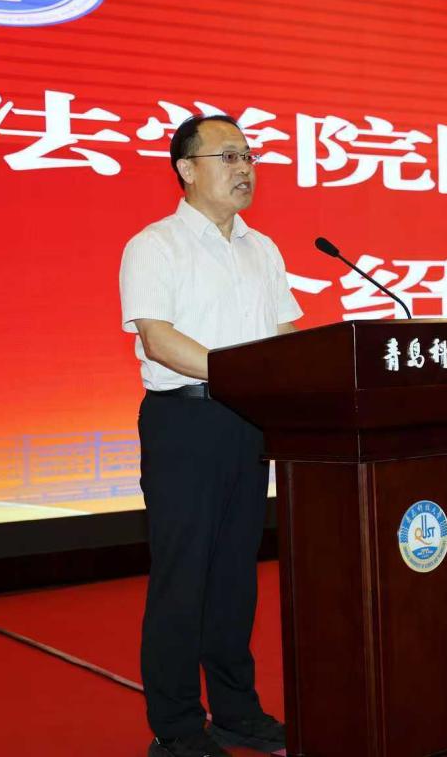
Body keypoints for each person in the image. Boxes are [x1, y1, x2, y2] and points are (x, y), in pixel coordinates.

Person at [119, 113, 300, 757]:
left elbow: (284, 334)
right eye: (228, 156)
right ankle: (175, 729)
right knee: (184, 576)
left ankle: (235, 712)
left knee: (233, 577)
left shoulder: (263, 249)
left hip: (248, 425)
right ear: (186, 170)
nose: (244, 167)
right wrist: (241, 372)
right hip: (185, 423)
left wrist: (304, 375)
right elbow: (158, 339)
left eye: (248, 156)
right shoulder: (155, 245)